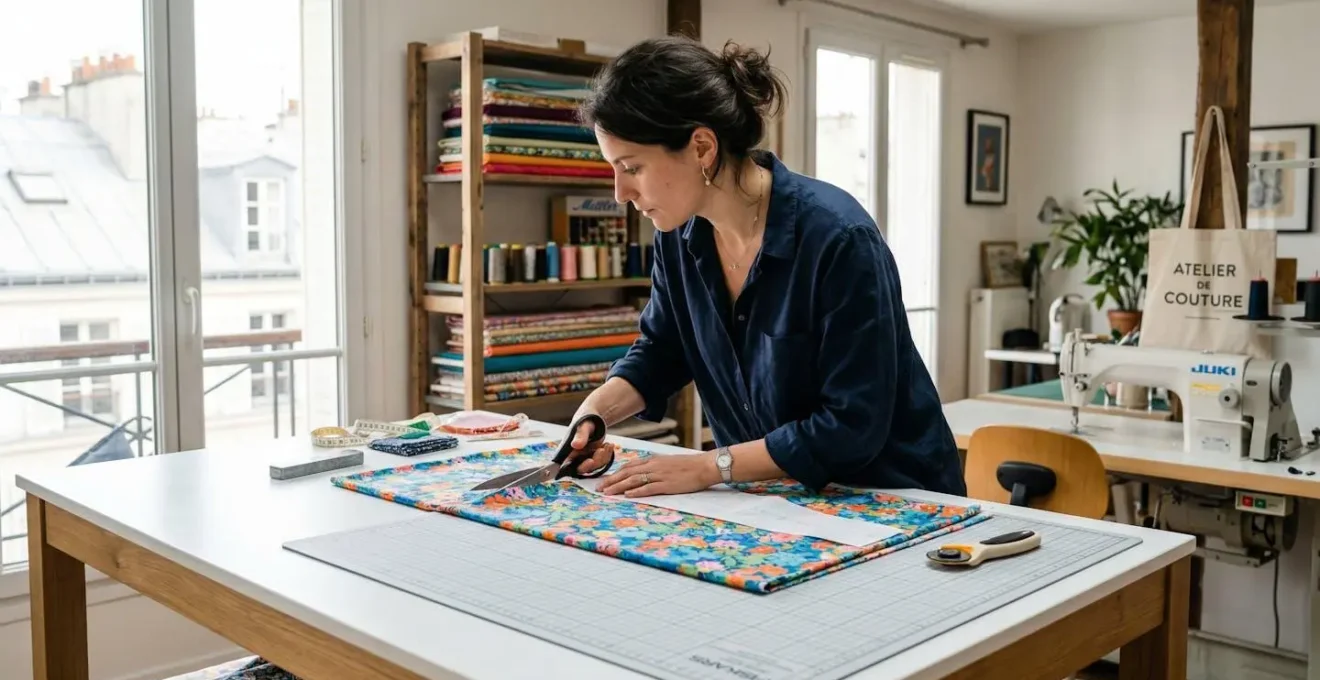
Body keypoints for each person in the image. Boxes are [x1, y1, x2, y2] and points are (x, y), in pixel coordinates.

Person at [566, 35, 966, 500]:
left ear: (701, 148)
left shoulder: (838, 240)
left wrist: (709, 467)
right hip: (780, 499)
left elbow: (851, 425)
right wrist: (595, 413)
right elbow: (662, 350)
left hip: (897, 497)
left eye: (631, 168)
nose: (619, 193)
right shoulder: (677, 237)